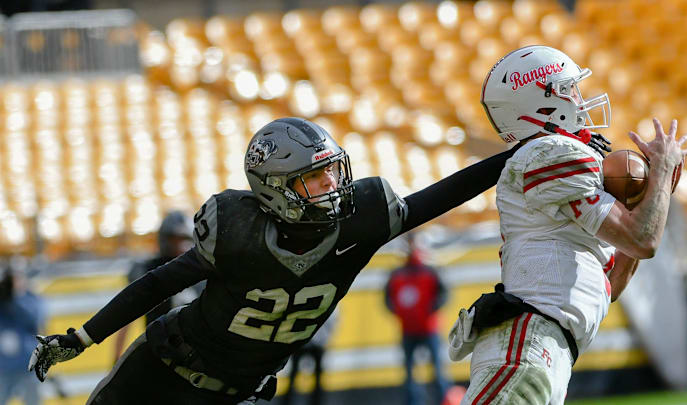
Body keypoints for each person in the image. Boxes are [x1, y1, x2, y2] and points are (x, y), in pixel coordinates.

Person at [28, 116, 610, 405]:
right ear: (275, 188)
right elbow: (158, 283)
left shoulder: (361, 219)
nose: (333, 187)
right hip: (160, 374)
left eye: (333, 171)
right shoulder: (235, 229)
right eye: (314, 179)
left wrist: (525, 152)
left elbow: (442, 194)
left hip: (244, 391)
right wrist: (84, 334)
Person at [447, 45, 687, 405]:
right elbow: (644, 241)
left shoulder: (554, 160)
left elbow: (611, 285)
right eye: (569, 89)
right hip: (528, 342)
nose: (580, 98)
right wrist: (660, 179)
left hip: (546, 347)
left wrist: (655, 195)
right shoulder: (550, 151)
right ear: (542, 102)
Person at [112, 210, 202, 362]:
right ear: (164, 239)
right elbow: (126, 318)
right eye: (175, 239)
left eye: (183, 239)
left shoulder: (201, 271)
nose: (180, 245)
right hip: (157, 352)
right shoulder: (148, 270)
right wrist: (116, 358)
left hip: (194, 354)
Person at [384, 233, 450, 405]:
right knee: (410, 373)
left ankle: (442, 400)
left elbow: (443, 295)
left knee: (436, 371)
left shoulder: (430, 271)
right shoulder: (397, 274)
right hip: (408, 329)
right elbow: (387, 298)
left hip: (429, 329)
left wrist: (429, 310)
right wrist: (401, 313)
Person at [0, 258, 46, 405]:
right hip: (3, 366)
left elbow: (34, 319)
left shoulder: (32, 299)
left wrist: (14, 298)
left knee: (33, 401)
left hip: (27, 365)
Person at [282, 309, 338, 405]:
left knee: (315, 378)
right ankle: (289, 401)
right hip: (306, 343)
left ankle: (313, 401)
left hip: (309, 343)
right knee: (295, 375)